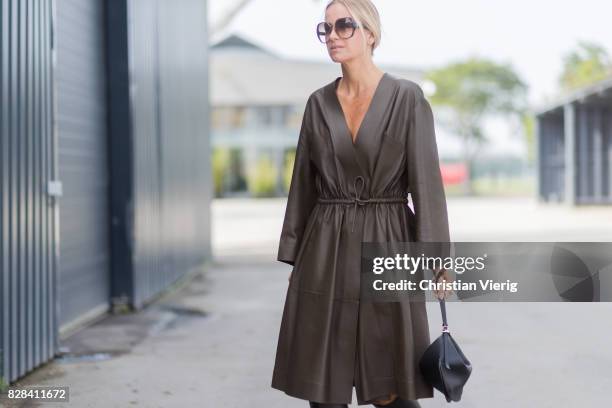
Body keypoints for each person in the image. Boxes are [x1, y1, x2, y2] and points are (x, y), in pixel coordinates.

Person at [271, 0, 452, 406]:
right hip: (325, 247)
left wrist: (438, 259)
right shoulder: (318, 103)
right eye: (326, 29)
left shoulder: (407, 98)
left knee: (394, 386)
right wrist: (297, 255)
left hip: (388, 241)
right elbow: (303, 184)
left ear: (370, 33)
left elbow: (426, 183)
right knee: (324, 385)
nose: (332, 36)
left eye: (344, 26)